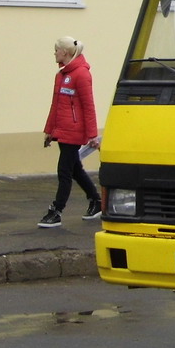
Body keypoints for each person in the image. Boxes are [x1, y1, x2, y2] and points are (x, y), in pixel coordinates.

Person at [39, 37, 102, 228]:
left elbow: (88, 106)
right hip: (63, 130)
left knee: (64, 170)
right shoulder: (61, 75)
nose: (54, 53)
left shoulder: (81, 74)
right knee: (75, 169)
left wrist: (92, 135)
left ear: (65, 52)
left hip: (74, 132)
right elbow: (56, 105)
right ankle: (96, 201)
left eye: (56, 50)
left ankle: (56, 211)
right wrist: (50, 131)